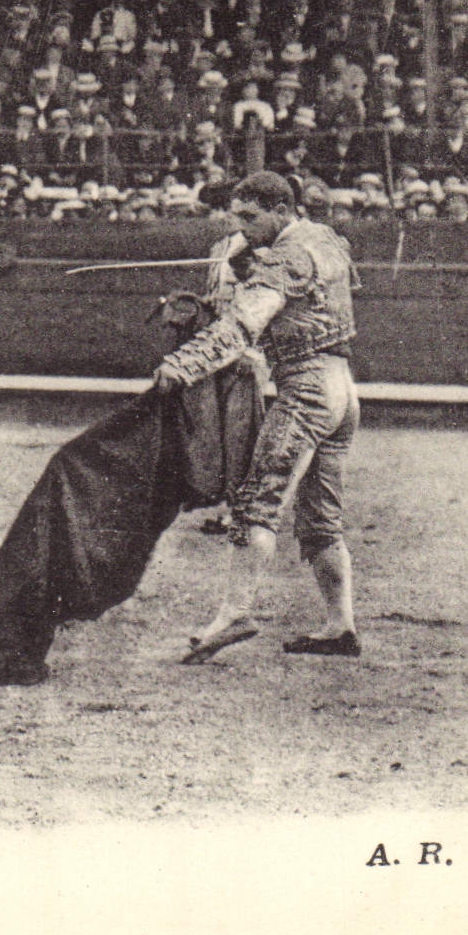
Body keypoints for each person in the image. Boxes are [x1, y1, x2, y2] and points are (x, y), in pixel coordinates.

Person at [151, 171, 361, 662]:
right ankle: (340, 626)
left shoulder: (285, 257)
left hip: (306, 391)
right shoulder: (324, 238)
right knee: (321, 518)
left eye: (251, 218)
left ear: (283, 210)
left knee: (256, 502)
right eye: (236, 219)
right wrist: (248, 264)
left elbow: (241, 326)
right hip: (343, 392)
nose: (242, 229)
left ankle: (235, 613)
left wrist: (182, 364)